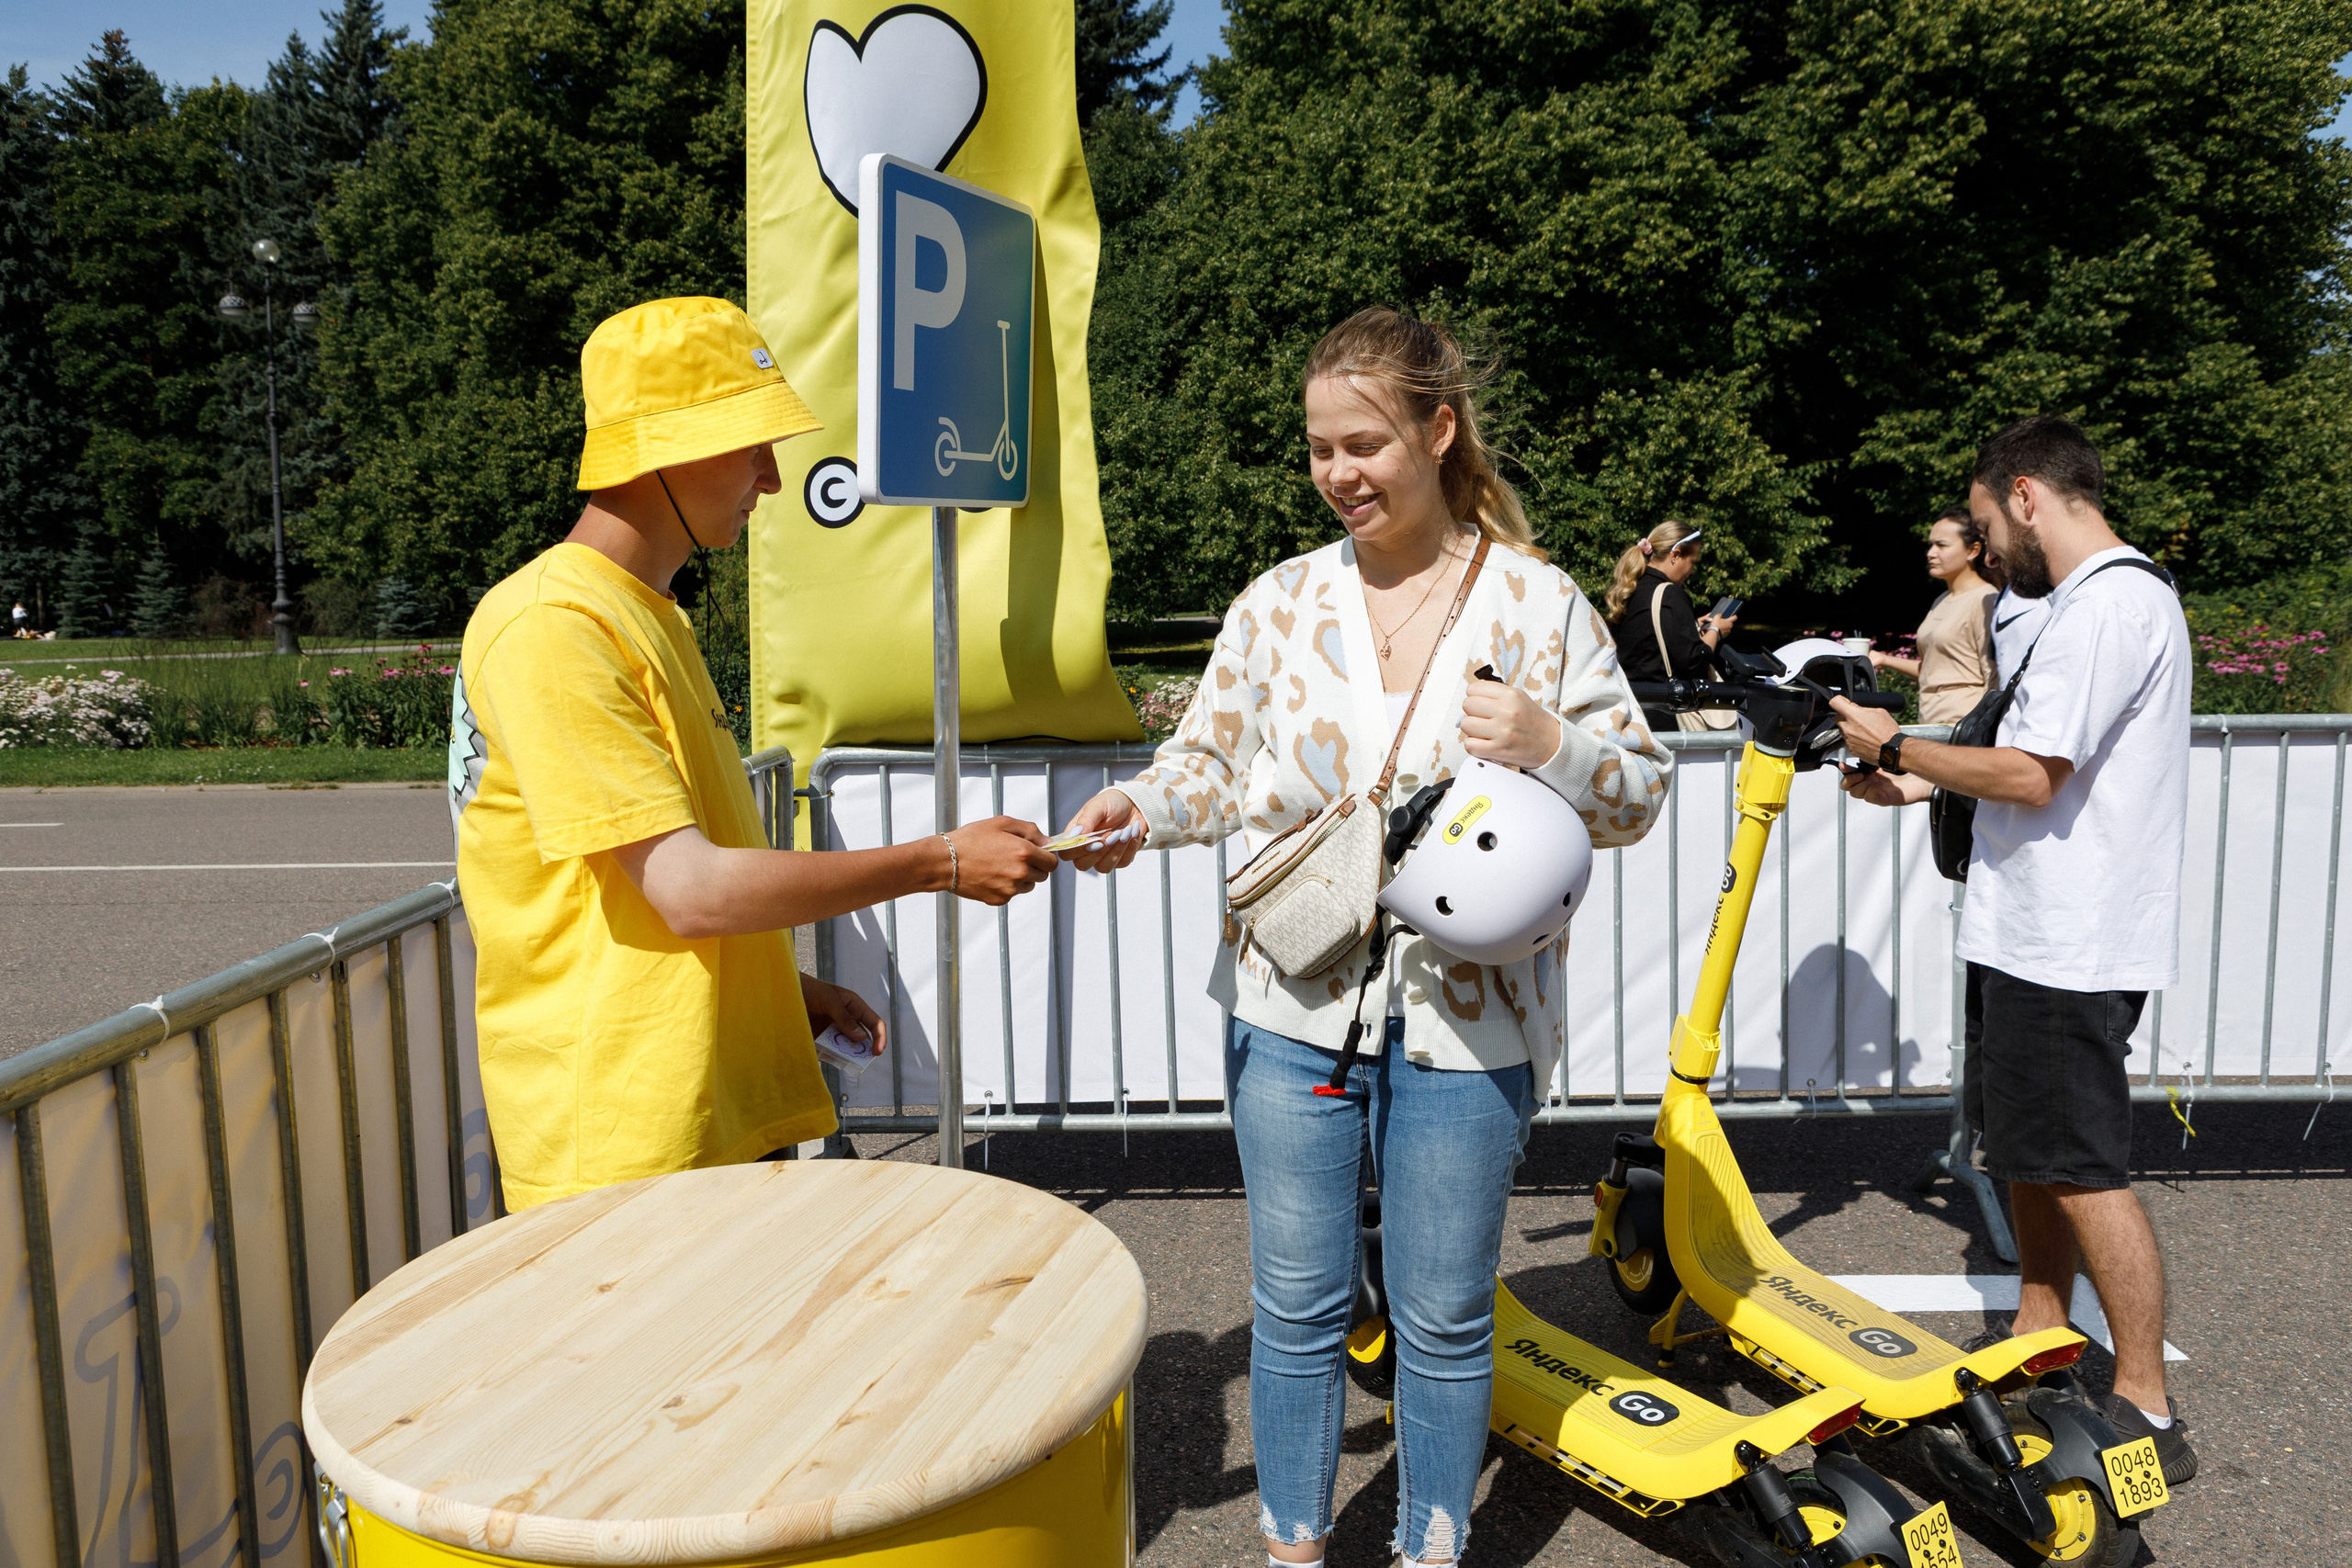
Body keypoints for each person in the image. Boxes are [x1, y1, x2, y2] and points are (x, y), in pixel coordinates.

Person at [1057, 309, 1671, 1568]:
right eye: (1321, 448)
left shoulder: (1539, 604)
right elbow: (1207, 766)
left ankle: (1427, 1547)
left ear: (1439, 431)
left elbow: (1638, 795)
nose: (1340, 472)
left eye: (1365, 442)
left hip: (1473, 1017)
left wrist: (1553, 742)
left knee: (1445, 1317)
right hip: (1286, 1005)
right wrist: (1140, 808)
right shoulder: (1279, 603)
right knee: (1293, 1309)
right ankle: (1294, 1548)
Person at [452, 297, 1058, 1211]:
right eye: (751, 446)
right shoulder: (554, 627)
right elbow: (688, 891)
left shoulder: (646, 614)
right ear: (667, 447)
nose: (772, 480)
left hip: (693, 1114)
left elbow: (648, 887)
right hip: (623, 1142)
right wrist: (939, 860)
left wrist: (783, 988)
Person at [1830, 414, 2196, 1484]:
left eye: (1989, 522)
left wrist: (1894, 740)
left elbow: (2036, 775)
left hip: (2071, 938)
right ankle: (2042, 1339)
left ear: (2026, 495)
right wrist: (1909, 778)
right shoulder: (2076, 608)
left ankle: (2144, 1402)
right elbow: (2005, 751)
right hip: (2027, 924)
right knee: (2025, 1153)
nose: (1989, 545)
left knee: (2080, 1168)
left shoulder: (2113, 605)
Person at [1867, 504, 1997, 724]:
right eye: (1930, 545)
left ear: (1973, 551)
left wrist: (1982, 731)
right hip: (1931, 722)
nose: (1931, 553)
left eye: (1941, 545)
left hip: (1962, 726)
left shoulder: (1985, 599)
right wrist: (1883, 659)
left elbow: (1994, 677)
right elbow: (1932, 670)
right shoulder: (1941, 600)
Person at [1604, 522, 1736, 732]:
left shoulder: (1630, 590)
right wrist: (1716, 631)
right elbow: (1694, 661)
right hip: (1663, 718)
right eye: (1693, 562)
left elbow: (1646, 643)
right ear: (1676, 555)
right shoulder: (1670, 595)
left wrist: (1692, 627)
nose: (1693, 571)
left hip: (1627, 712)